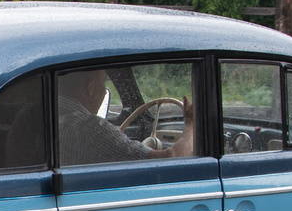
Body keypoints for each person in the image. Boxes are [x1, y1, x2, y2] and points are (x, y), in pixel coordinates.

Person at [54, 66, 192, 165]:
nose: (103, 92)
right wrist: (192, 124)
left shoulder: (48, 119)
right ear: (90, 87)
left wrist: (115, 135)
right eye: (103, 83)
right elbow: (171, 159)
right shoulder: (92, 130)